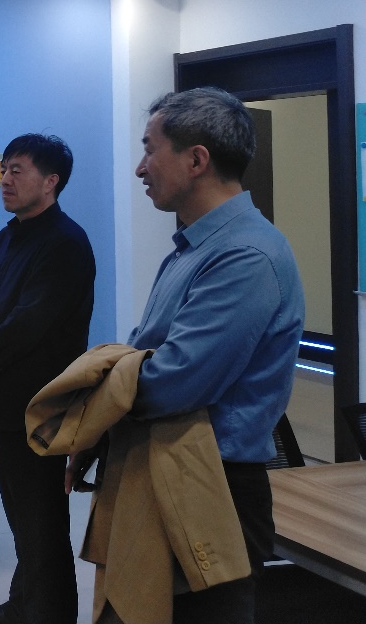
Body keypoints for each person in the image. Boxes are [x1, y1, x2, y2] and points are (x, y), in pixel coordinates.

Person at [72, 87, 303, 623]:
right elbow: (142, 358)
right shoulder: (193, 249)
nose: (139, 168)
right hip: (162, 467)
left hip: (209, 486)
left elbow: (173, 381)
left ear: (196, 160)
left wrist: (95, 402)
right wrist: (105, 425)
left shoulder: (246, 255)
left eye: (149, 149)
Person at [0, 134, 96, 624]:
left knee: (41, 521)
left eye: (18, 170)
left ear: (51, 181)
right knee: (22, 518)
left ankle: (48, 614)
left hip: (42, 403)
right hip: (5, 399)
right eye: (4, 169)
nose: (5, 180)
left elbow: (30, 321)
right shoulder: (9, 234)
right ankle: (23, 606)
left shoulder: (66, 242)